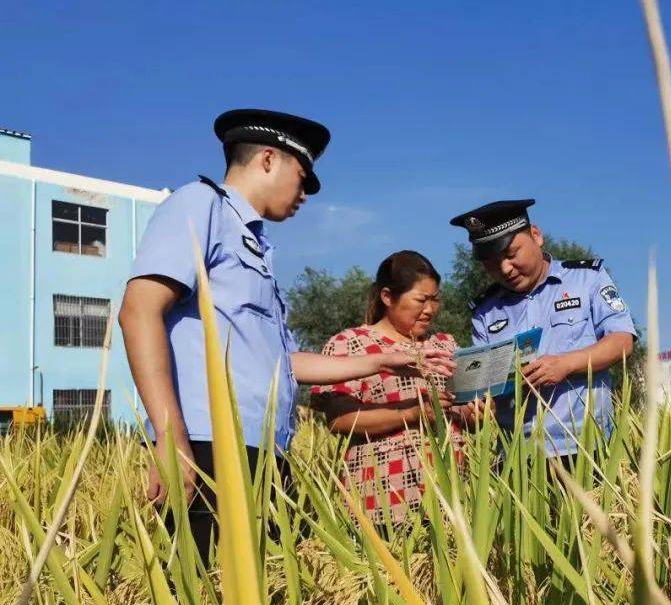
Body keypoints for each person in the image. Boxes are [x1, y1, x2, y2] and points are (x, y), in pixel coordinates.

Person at [118, 110, 452, 559]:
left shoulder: (257, 246)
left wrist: (384, 360)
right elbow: (139, 310)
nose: (305, 195)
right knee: (208, 603)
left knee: (272, 598)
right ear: (269, 159)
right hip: (209, 446)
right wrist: (170, 434)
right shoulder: (200, 205)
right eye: (302, 176)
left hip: (263, 450)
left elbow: (287, 363)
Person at [450, 199, 636, 462]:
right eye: (491, 262)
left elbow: (622, 341)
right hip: (518, 458)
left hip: (586, 448)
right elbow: (485, 392)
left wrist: (566, 364)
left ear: (536, 236)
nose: (505, 269)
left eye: (511, 254)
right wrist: (477, 409)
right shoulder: (485, 311)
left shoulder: (588, 279)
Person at [311, 251, 468, 523]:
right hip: (383, 501)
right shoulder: (351, 344)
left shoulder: (445, 345)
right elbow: (340, 420)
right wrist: (412, 413)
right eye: (421, 300)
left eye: (435, 300)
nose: (430, 309)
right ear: (387, 297)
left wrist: (473, 411)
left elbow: (462, 409)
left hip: (452, 501)